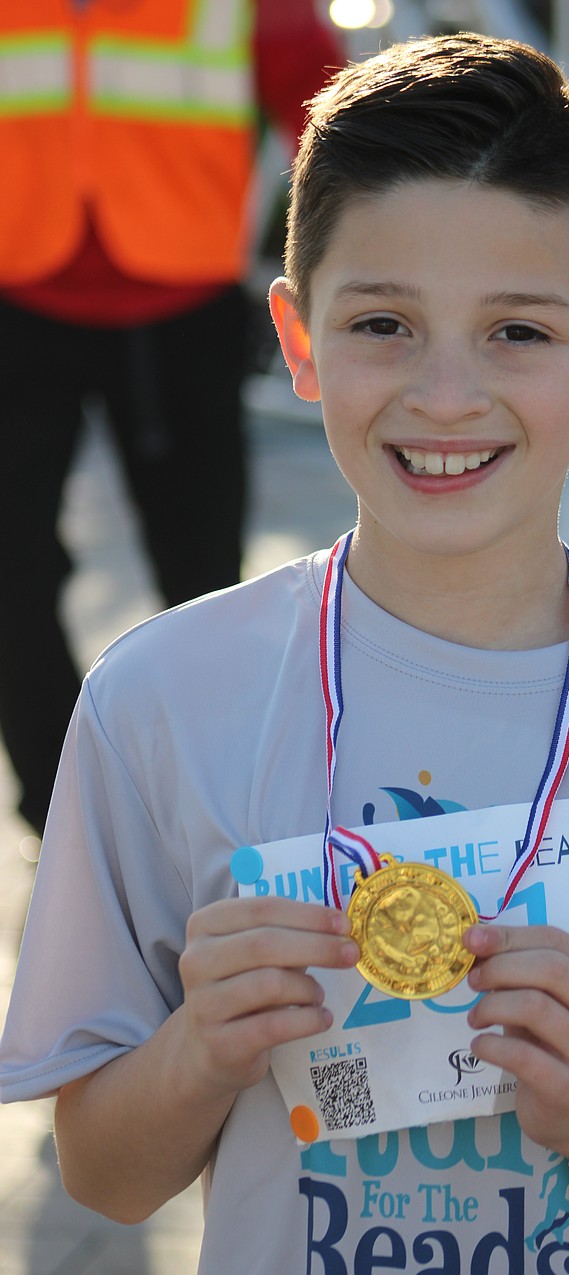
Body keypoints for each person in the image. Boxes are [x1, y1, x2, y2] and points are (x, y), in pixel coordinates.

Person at [2, 32, 569, 1275]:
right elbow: (105, 1176)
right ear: (296, 340)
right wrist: (198, 1047)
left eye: (519, 332)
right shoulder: (158, 703)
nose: (444, 394)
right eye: (384, 322)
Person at [0, 0, 342, 835]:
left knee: (203, 581)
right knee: (7, 571)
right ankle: (69, 816)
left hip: (183, 306)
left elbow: (330, 105)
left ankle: (214, 813)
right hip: (14, 302)